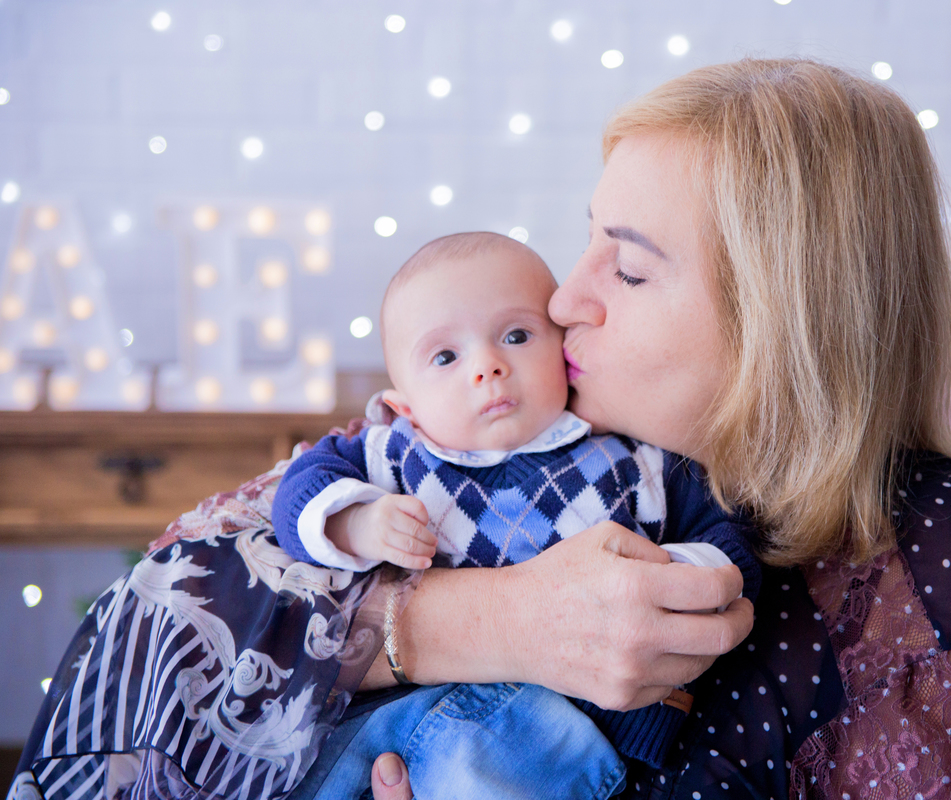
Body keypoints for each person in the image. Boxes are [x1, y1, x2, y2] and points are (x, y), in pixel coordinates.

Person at [12, 57, 951, 800]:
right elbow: (151, 612)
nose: (563, 301)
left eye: (630, 267)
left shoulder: (935, 551)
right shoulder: (502, 417)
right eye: (586, 238)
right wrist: (483, 618)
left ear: (791, 322)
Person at [271, 231, 761, 799]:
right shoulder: (396, 453)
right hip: (402, 705)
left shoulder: (636, 460)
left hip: (559, 730)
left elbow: (727, 540)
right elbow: (298, 492)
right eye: (446, 356)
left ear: (563, 349)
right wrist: (355, 522)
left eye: (517, 335)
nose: (489, 366)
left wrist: (670, 575)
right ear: (404, 404)